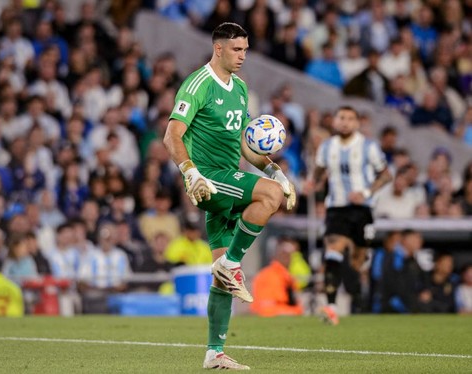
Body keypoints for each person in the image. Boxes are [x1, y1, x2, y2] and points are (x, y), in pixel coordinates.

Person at [163, 22, 295, 370]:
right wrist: (190, 173)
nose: (243, 56)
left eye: (246, 50)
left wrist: (276, 171)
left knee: (222, 283)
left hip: (228, 181)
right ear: (218, 48)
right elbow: (171, 136)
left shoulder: (239, 88)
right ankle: (233, 261)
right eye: (237, 50)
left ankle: (214, 352)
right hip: (208, 181)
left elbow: (245, 144)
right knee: (270, 197)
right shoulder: (198, 84)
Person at [307, 106, 391, 325]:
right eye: (341, 118)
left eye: (350, 119)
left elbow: (386, 175)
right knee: (333, 250)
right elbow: (319, 169)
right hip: (336, 208)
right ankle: (332, 307)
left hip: (362, 209)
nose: (345, 122)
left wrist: (365, 193)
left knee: (357, 261)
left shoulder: (368, 146)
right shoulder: (326, 147)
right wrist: (312, 182)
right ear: (335, 121)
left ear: (357, 123)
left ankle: (359, 301)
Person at [250, 237, 304, 317]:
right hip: (271, 313)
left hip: (278, 311)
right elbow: (267, 307)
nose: (287, 258)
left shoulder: (287, 276)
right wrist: (295, 311)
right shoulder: (269, 275)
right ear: (275, 255)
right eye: (283, 254)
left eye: (289, 255)